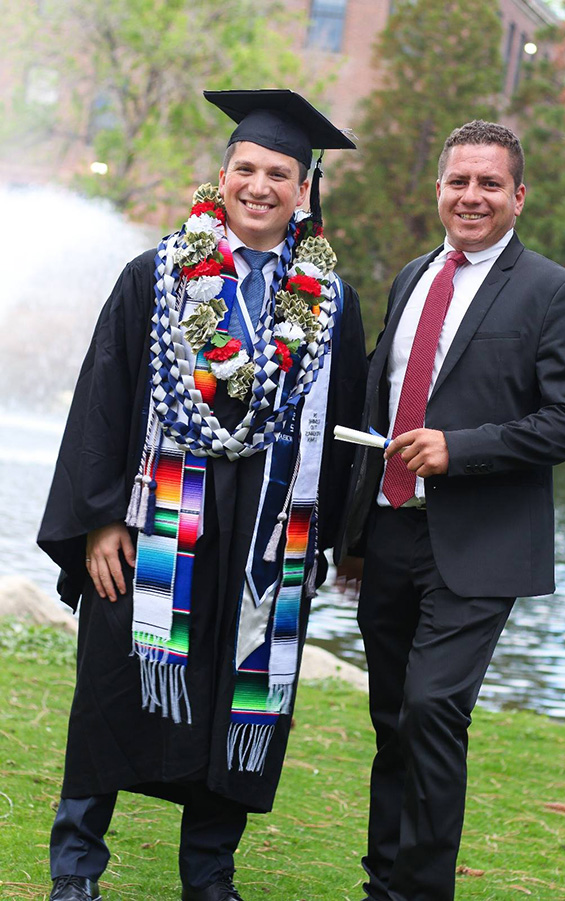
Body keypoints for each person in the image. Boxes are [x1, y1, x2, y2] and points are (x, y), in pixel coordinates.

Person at [38, 89, 366, 901]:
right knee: (112, 688)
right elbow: (103, 402)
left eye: (279, 173)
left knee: (239, 700)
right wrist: (100, 520)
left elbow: (347, 425)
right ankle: (77, 864)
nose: (260, 185)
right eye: (246, 168)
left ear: (304, 190)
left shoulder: (329, 305)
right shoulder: (155, 277)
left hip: (265, 543)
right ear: (221, 175)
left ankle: (209, 873)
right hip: (155, 527)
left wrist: (324, 547)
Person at [336, 120, 565, 901]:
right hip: (391, 531)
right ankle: (383, 880)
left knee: (432, 710)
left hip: (481, 543)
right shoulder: (413, 276)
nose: (472, 196)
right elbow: (385, 394)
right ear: (440, 189)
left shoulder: (556, 292)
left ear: (518, 195)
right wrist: (352, 534)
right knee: (392, 716)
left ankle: (418, 892)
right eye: (459, 181)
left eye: (490, 183)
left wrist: (463, 446)